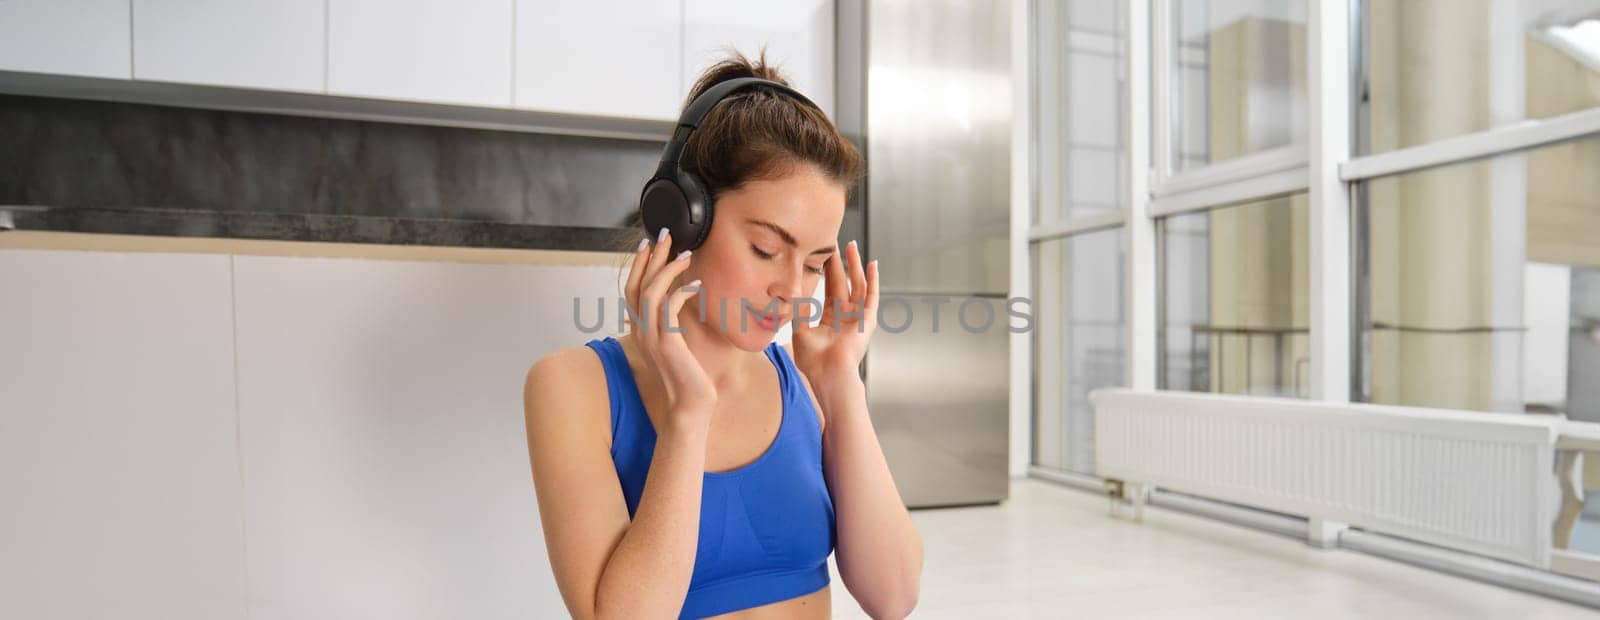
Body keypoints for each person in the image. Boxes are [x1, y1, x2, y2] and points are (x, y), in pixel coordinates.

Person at [522, 50, 924, 619]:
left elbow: (894, 595)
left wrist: (840, 382)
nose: (792, 290)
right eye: (766, 249)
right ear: (683, 218)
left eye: (813, 265)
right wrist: (689, 411)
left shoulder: (806, 386)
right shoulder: (572, 387)